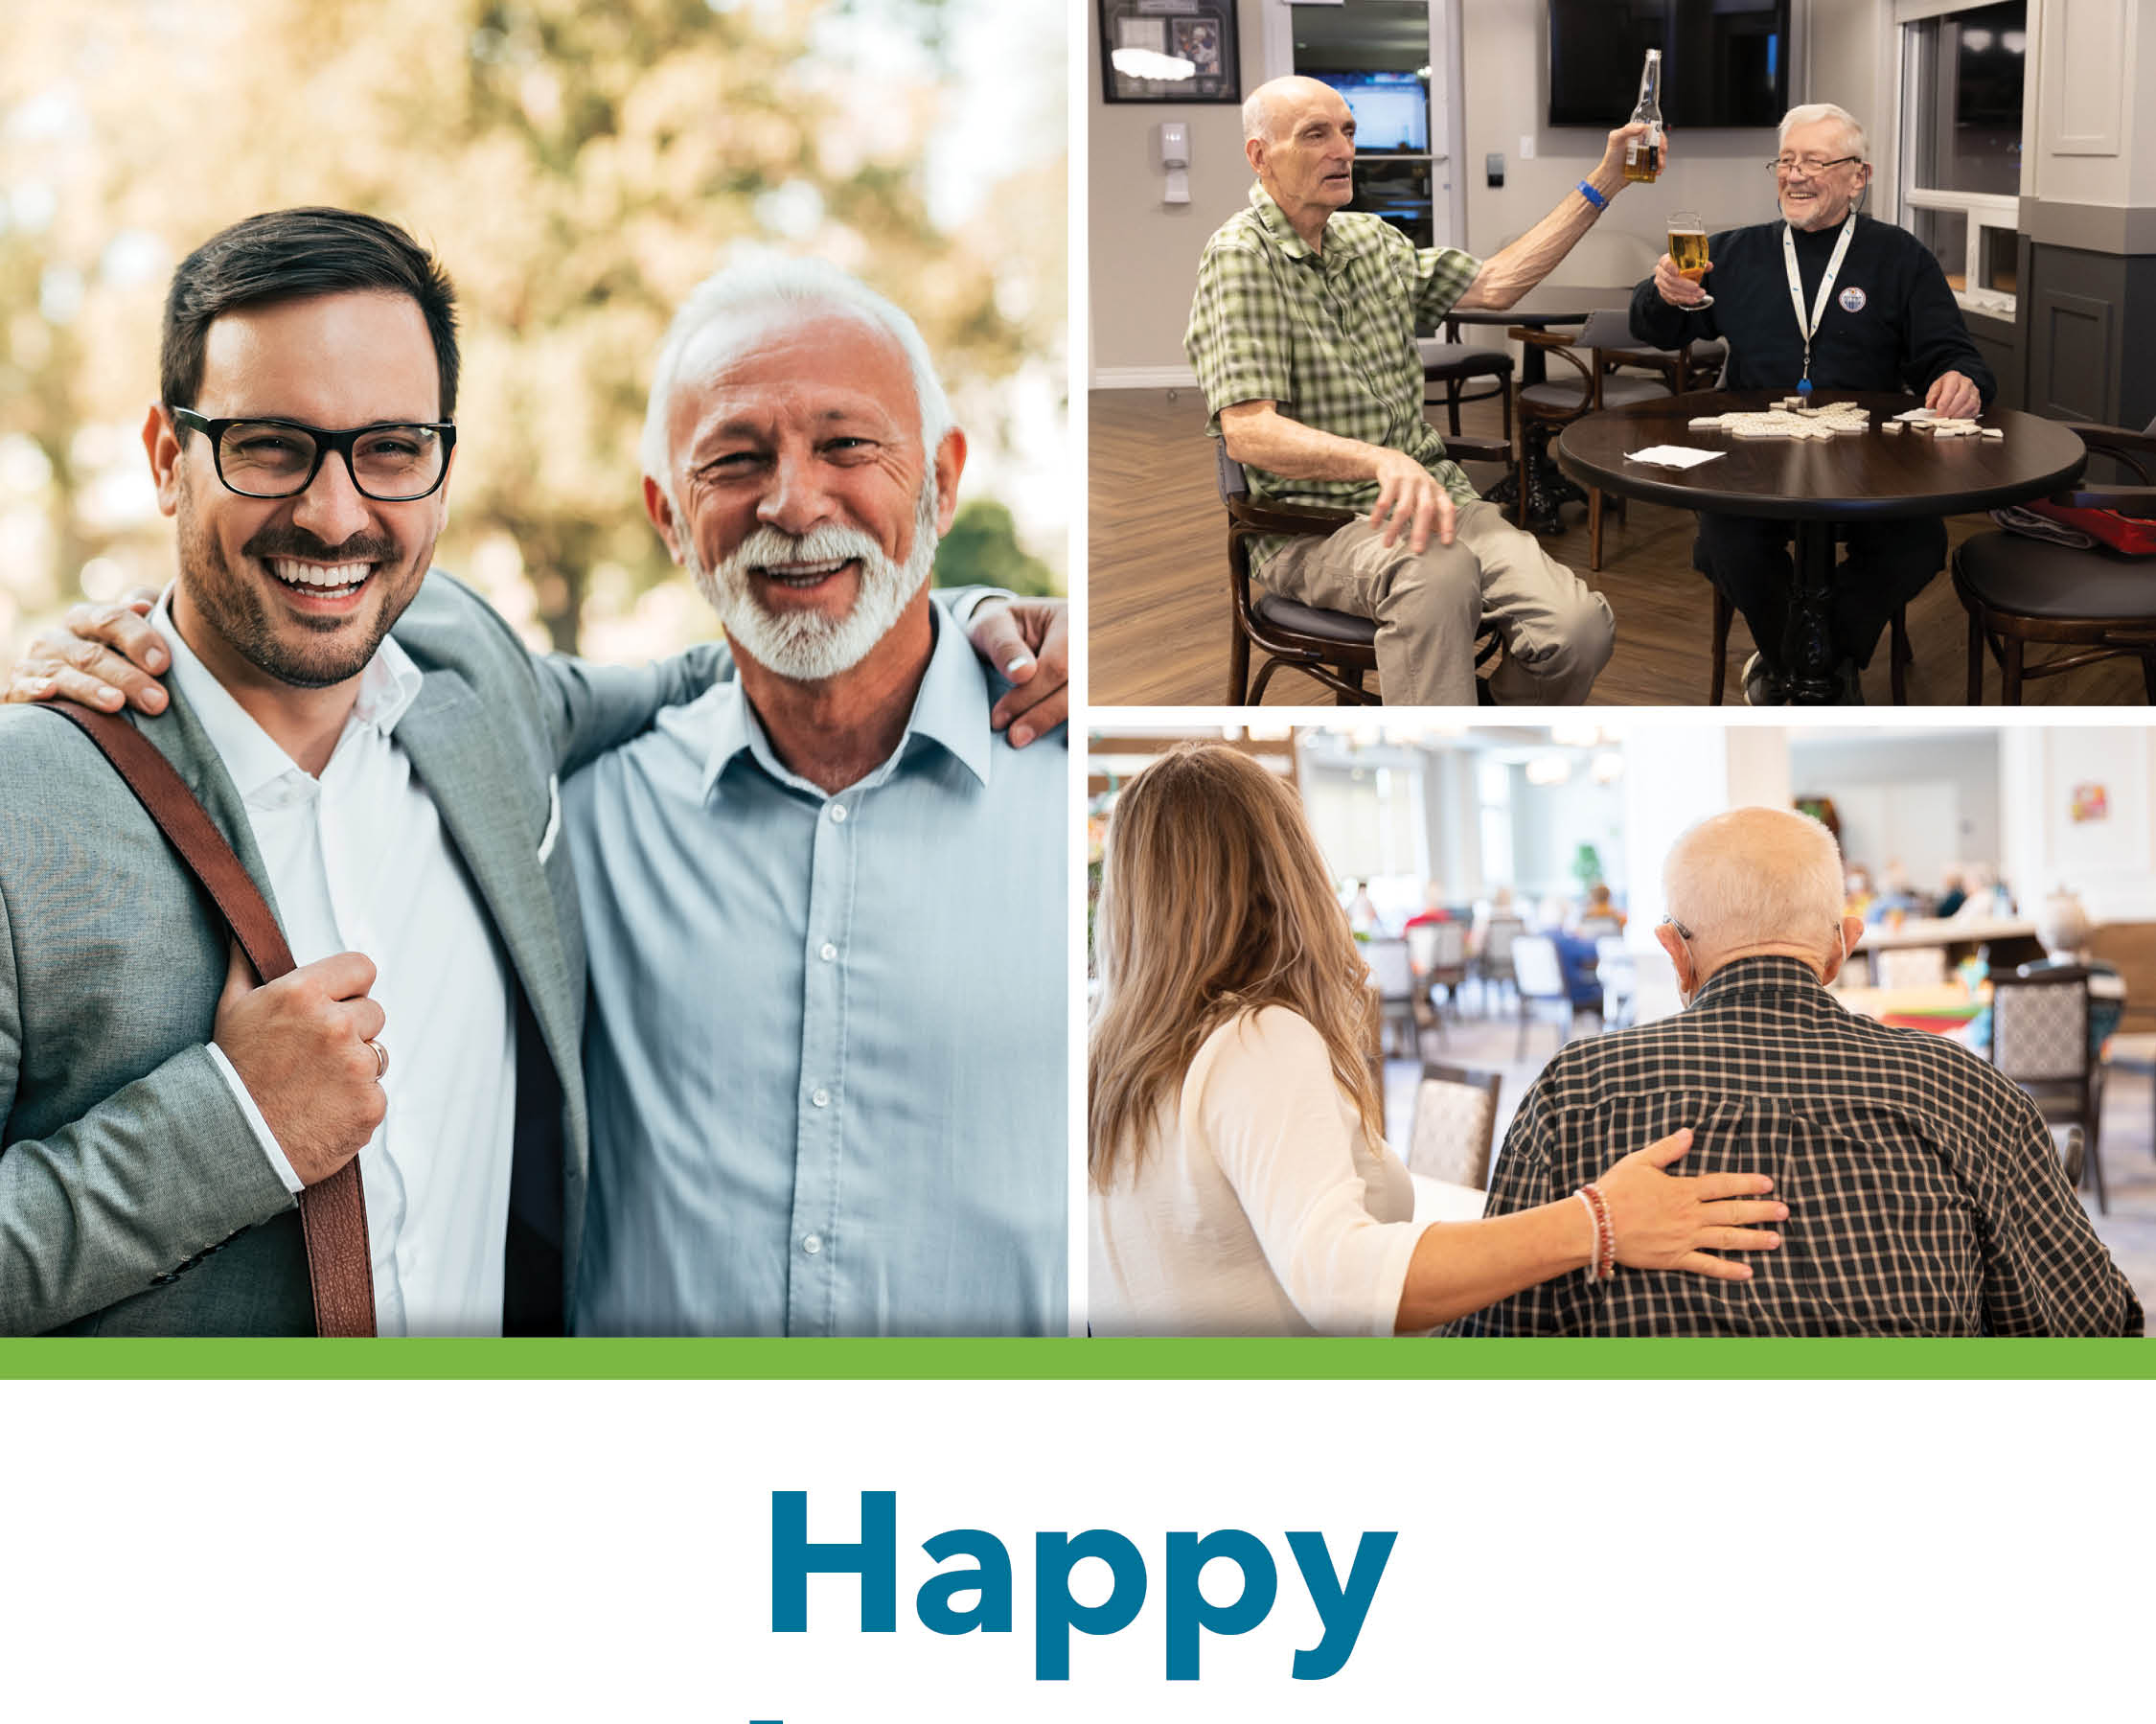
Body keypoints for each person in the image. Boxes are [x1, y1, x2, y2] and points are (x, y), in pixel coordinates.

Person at [0, 210, 1067, 1337]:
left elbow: (771, 638)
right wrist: (229, 1131)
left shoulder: (481, 696)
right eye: (268, 444)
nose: (334, 511)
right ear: (171, 460)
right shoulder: (31, 813)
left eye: (391, 449)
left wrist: (990, 623)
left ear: (441, 467)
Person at [564, 260, 1067, 1335]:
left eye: (846, 445)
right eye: (736, 461)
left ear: (942, 477)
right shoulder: (587, 821)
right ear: (667, 515)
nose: (793, 505)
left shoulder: (1088, 786)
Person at [1087, 744, 1788, 1336]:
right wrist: (1597, 1219)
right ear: (1284, 873)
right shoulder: (1256, 1040)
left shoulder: (1109, 1056)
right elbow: (1339, 1281)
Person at [1454, 806, 2143, 1337]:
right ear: (1843, 945)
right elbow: (2095, 1330)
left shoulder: (1573, 1092)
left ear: (1674, 952)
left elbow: (1486, 1347)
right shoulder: (1968, 1093)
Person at [1184, 75, 1643, 706]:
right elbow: (1249, 430)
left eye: (1348, 131)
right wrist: (1378, 459)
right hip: (1315, 525)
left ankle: (1474, 722)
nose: (1343, 150)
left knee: (1579, 631)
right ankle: (1439, 745)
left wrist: (1606, 182)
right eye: (1316, 135)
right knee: (1438, 577)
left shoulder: (1373, 242)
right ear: (1260, 156)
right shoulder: (1241, 257)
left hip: (1437, 504)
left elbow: (1498, 284)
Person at [1628, 103, 1995, 702]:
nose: (1795, 175)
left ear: (1859, 177)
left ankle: (1802, 665)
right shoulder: (1735, 252)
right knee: (1727, 542)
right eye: (1787, 161)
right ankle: (1815, 670)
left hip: (1872, 464)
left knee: (1917, 544)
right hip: (1750, 459)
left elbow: (1955, 354)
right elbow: (1656, 328)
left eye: (1815, 162)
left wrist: (1963, 378)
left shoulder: (1900, 258)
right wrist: (1661, 292)